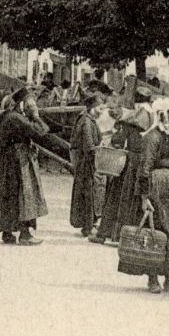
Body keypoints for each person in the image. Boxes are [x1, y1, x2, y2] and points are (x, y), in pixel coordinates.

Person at [119, 98, 169, 293]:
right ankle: (152, 279)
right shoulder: (152, 137)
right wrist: (144, 198)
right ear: (165, 114)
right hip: (156, 188)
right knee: (156, 230)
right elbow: (144, 169)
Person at [0, 90, 70, 245]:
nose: (31, 107)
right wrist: (35, 115)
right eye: (29, 104)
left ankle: (7, 233)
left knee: (9, 195)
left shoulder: (7, 116)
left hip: (8, 160)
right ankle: (25, 234)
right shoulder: (16, 118)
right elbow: (40, 132)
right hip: (19, 160)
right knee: (25, 194)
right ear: (22, 104)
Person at [94, 103, 149, 245]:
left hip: (130, 163)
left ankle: (110, 233)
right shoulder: (154, 117)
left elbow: (117, 140)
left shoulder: (131, 120)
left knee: (116, 197)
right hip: (145, 162)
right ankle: (134, 236)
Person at [69, 93, 105, 238]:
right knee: (88, 194)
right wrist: (99, 152)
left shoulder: (88, 120)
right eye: (100, 108)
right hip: (86, 163)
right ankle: (88, 227)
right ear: (93, 108)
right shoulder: (86, 122)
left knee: (87, 193)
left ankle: (88, 224)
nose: (101, 111)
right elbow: (89, 145)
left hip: (87, 161)